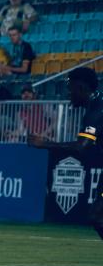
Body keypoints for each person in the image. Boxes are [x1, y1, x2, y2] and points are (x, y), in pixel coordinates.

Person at [28, 67, 103, 239]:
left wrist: (45, 143)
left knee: (98, 216)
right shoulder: (96, 106)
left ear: (81, 88)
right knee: (98, 216)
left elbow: (81, 147)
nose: (68, 93)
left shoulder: (97, 110)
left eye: (70, 88)